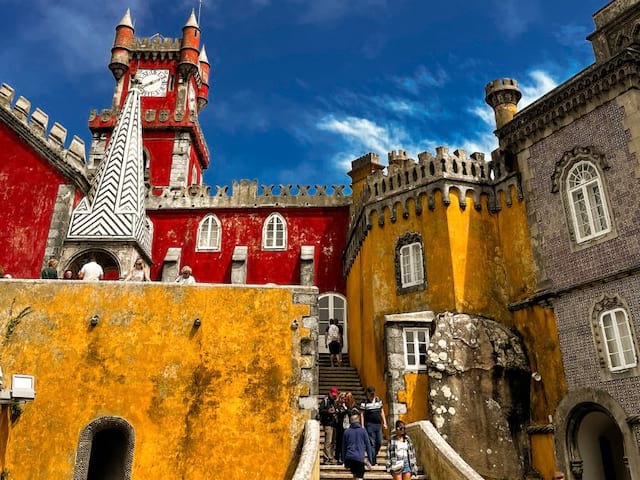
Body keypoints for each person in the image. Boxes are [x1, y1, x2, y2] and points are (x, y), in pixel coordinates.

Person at [360, 386, 387, 465]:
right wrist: (362, 425)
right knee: (372, 443)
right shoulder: (364, 402)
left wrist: (384, 422)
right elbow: (361, 414)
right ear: (367, 394)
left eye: (373, 394)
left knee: (379, 442)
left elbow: (381, 411)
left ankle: (372, 457)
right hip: (369, 425)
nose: (372, 395)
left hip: (378, 425)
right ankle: (373, 461)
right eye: (370, 394)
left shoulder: (378, 400)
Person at [342, 413, 374, 480]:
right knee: (359, 477)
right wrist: (370, 459)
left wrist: (344, 460)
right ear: (358, 421)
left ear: (350, 421)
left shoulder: (346, 432)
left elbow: (344, 448)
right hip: (359, 458)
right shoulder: (363, 431)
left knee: (355, 474)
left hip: (349, 457)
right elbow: (368, 446)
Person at [336, 391, 360, 464]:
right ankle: (341, 458)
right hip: (342, 427)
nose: (345, 400)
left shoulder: (354, 408)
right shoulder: (341, 406)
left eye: (346, 399)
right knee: (341, 443)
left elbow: (353, 415)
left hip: (352, 428)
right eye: (344, 399)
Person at [319, 386, 339, 464]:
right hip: (327, 424)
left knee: (333, 442)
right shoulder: (325, 401)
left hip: (334, 424)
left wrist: (336, 410)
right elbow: (320, 410)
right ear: (329, 393)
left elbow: (337, 409)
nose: (334, 396)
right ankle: (326, 458)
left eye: (335, 395)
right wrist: (328, 411)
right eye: (333, 395)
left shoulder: (335, 401)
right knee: (328, 441)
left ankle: (331, 457)